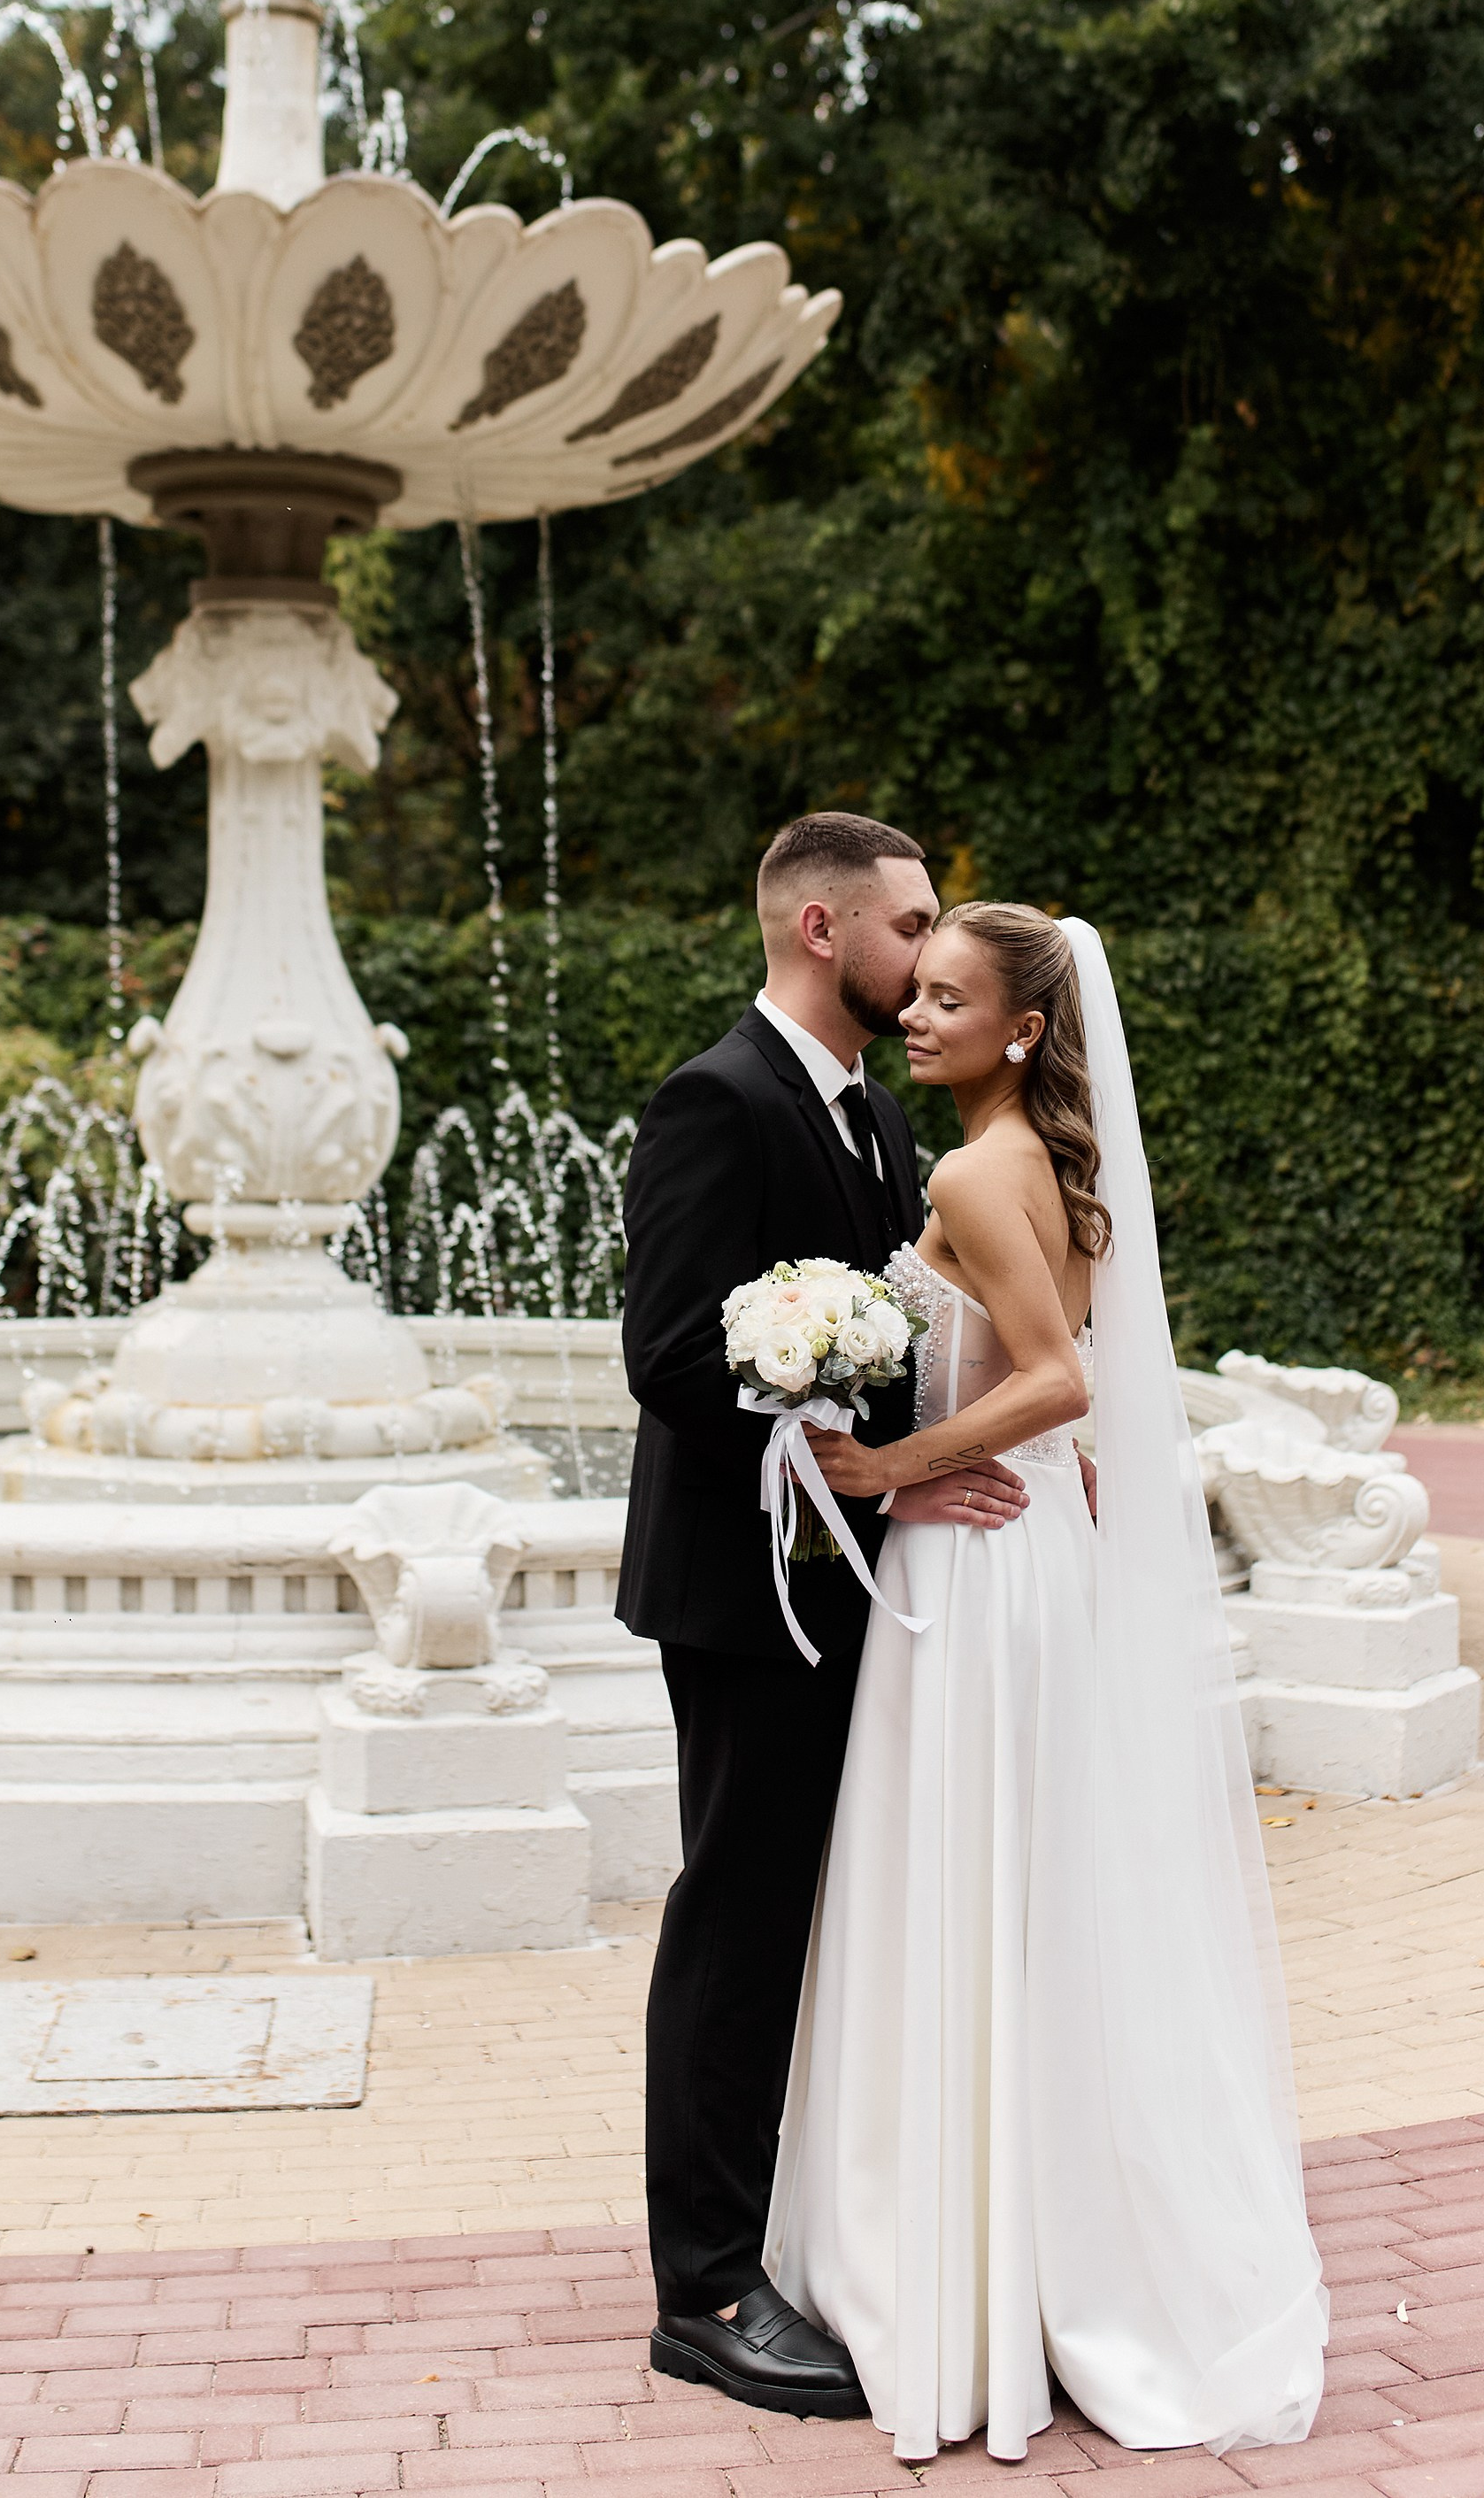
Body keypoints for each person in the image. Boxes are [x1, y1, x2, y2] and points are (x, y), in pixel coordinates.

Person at [769, 902, 1326, 2457]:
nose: (918, 1014)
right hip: (1035, 1556)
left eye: (950, 1000)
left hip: (975, 1566)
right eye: (921, 991)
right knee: (1029, 1898)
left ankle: (964, 2270)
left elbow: (1057, 1378)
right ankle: (1024, 2247)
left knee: (965, 1885)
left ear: (1023, 1031)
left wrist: (885, 1468)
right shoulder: (1050, 1168)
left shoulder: (970, 1171)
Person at [616, 813, 1034, 2419]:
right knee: (735, 1920)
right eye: (910, 924)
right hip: (748, 1594)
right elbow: (671, 1356)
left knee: (819, 1914)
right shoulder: (716, 1099)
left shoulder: (872, 1109)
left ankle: (805, 2228)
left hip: (847, 1583)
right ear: (821, 928)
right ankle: (705, 2289)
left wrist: (944, 1455)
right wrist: (864, 1482)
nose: (928, 954)